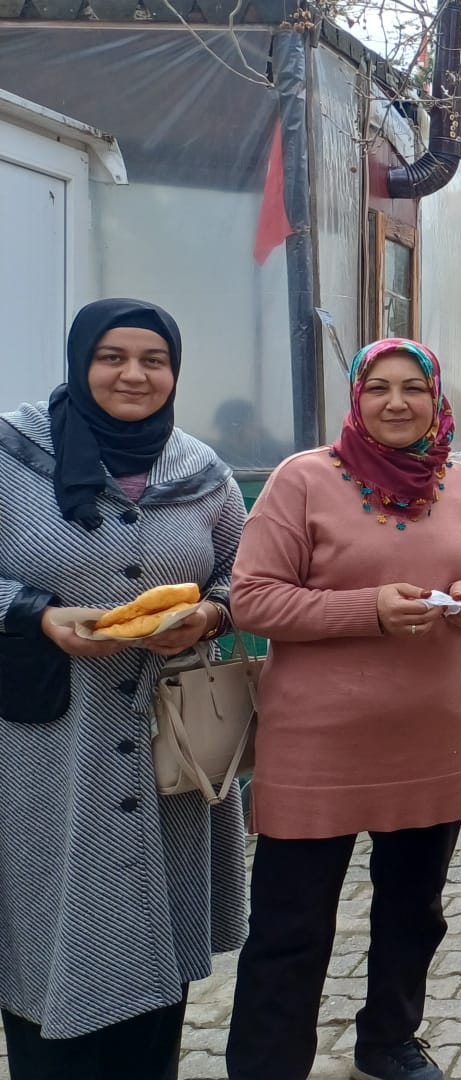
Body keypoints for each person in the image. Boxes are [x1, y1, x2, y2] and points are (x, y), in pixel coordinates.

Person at [226, 337, 461, 1080]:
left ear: (436, 399)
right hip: (317, 746)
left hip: (433, 738)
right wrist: (367, 611)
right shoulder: (304, 479)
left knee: (413, 914)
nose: (395, 403)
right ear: (355, 398)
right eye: (378, 388)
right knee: (292, 925)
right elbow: (252, 599)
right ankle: (268, 1063)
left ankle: (389, 1039)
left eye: (412, 389)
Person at [0, 299, 246, 1080]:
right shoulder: (12, 453)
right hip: (42, 752)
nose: (133, 374)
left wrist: (209, 614)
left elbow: (247, 575)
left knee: (152, 943)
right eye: (112, 356)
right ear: (80, 361)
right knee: (50, 943)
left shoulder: (201, 472)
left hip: (163, 747)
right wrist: (36, 615)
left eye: (153, 359)